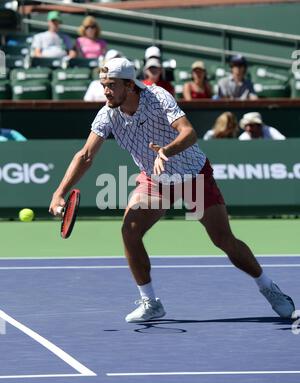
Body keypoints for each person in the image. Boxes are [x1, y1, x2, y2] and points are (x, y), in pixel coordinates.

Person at [49, 57, 295, 323]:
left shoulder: (157, 97)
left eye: (111, 85)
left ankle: (269, 287)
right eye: (103, 85)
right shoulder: (107, 113)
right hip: (156, 180)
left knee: (223, 240)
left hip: (193, 175)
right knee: (129, 230)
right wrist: (59, 192)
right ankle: (150, 302)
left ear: (129, 85)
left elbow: (189, 133)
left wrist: (166, 151)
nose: (105, 91)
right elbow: (86, 155)